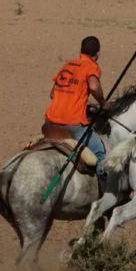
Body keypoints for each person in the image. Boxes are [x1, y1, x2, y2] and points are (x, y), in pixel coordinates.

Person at [44, 36, 108, 187]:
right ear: (98, 54)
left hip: (50, 123)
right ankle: (104, 193)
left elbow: (53, 93)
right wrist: (103, 102)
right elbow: (93, 86)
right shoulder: (91, 66)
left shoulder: (67, 65)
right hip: (72, 125)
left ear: (81, 50)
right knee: (100, 153)